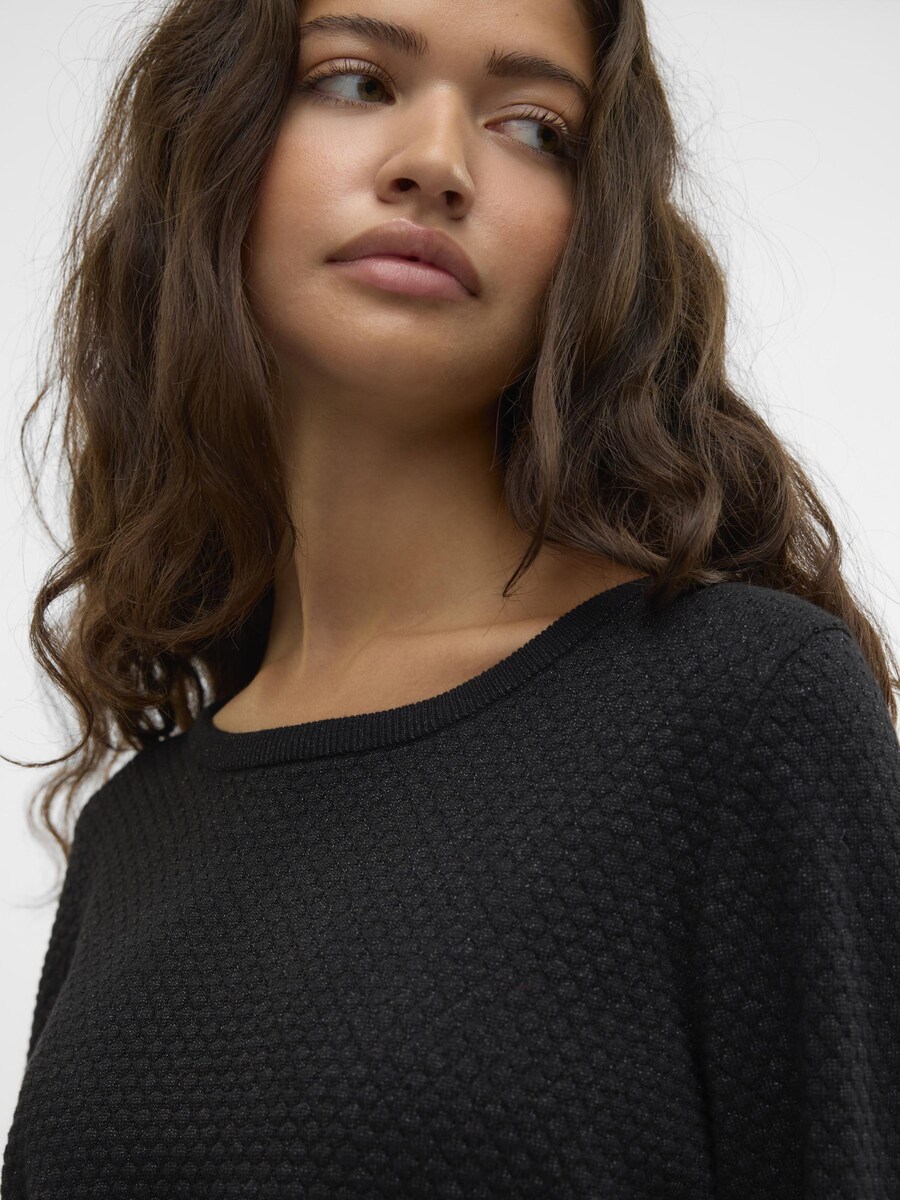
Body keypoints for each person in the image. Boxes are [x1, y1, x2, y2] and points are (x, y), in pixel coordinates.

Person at [3, 0, 899, 1195]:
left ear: (596, 228)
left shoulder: (740, 712)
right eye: (356, 81)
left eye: (533, 127)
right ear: (212, 134)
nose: (436, 162)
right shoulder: (136, 831)